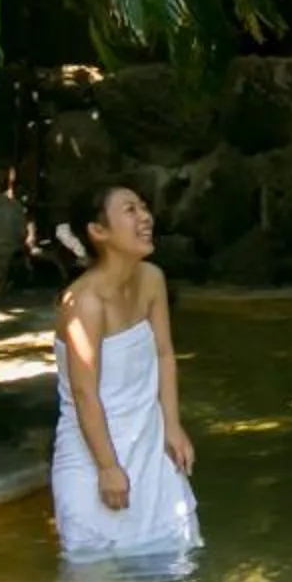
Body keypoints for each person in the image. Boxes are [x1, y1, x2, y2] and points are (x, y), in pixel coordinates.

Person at [49, 181, 200, 558]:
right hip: (93, 456)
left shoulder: (152, 279)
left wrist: (173, 426)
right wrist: (107, 467)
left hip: (150, 449)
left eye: (144, 207)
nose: (145, 216)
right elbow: (85, 392)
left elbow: (165, 354)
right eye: (130, 210)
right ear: (98, 231)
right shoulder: (83, 302)